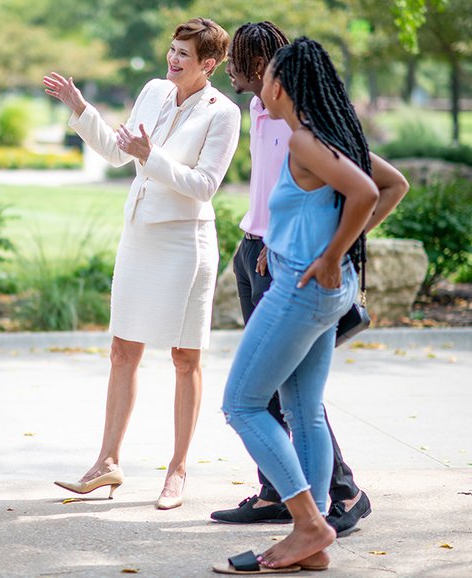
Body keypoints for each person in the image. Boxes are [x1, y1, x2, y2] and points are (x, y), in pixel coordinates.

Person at [213, 37, 408, 574]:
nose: (264, 83)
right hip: (324, 290)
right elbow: (394, 185)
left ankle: (309, 523)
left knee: (243, 405)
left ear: (282, 85)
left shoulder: (303, 141)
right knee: (302, 410)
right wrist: (326, 253)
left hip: (301, 294)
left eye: (269, 74)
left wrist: (329, 253)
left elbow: (368, 193)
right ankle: (315, 540)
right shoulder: (330, 135)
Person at [43, 17, 240, 510]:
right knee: (121, 349)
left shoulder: (224, 113)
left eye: (185, 55)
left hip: (184, 243)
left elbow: (204, 186)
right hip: (139, 236)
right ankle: (107, 462)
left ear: (209, 65)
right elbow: (116, 152)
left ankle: (177, 471)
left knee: (184, 356)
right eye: (172, 50)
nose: (173, 60)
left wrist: (151, 157)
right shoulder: (153, 90)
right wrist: (80, 109)